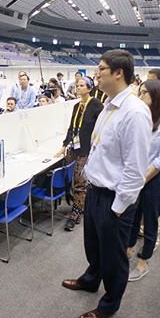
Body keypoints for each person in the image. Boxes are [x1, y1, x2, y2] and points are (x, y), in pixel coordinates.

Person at [62, 50, 151, 318]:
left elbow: (136, 170)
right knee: (95, 246)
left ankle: (109, 303)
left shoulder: (134, 113)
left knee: (114, 257)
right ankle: (90, 280)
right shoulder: (109, 105)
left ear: (118, 73)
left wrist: (118, 207)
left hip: (115, 199)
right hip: (96, 191)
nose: (95, 73)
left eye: (101, 69)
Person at [126, 79, 160, 281]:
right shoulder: (141, 118)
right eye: (140, 92)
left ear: (155, 96)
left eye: (144, 93)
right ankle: (128, 251)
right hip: (137, 176)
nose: (140, 97)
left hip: (152, 179)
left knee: (150, 222)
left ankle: (143, 262)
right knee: (132, 218)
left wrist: (141, 180)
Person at [55, 77, 104, 231]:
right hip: (74, 148)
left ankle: (75, 214)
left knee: (79, 182)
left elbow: (101, 127)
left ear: (89, 88)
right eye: (77, 85)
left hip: (87, 149)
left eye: (82, 85)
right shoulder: (76, 106)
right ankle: (79, 204)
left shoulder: (96, 105)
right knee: (72, 179)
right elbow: (72, 128)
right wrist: (63, 147)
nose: (78, 88)